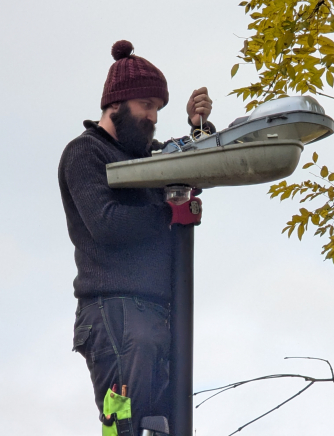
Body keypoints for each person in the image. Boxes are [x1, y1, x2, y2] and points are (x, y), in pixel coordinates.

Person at [58, 40, 214, 433]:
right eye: (145, 105)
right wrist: (168, 213)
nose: (152, 117)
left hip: (157, 310)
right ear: (115, 106)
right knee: (127, 424)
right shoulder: (85, 153)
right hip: (114, 310)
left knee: (165, 424)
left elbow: (191, 167)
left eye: (158, 109)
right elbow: (106, 224)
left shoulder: (146, 158)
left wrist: (200, 129)